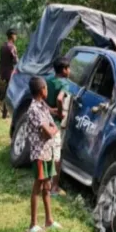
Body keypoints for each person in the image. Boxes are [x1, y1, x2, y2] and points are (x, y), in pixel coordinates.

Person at [25, 77, 61, 232]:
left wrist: (51, 130)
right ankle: (33, 224)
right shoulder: (34, 109)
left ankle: (49, 220)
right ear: (41, 90)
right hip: (39, 153)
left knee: (47, 186)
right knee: (37, 187)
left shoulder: (43, 106)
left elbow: (52, 126)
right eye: (46, 88)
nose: (48, 90)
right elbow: (48, 132)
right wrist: (52, 131)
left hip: (47, 152)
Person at [46, 57, 71, 197]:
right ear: (64, 70)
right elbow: (60, 98)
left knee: (46, 152)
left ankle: (43, 181)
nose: (70, 71)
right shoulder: (64, 83)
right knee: (56, 155)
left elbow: (42, 98)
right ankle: (54, 186)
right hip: (56, 123)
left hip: (46, 119)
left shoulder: (49, 80)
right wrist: (60, 113)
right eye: (69, 68)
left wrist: (49, 109)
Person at [0, 28, 18, 119]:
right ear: (12, 36)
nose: (16, 37)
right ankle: (8, 112)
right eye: (15, 35)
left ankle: (5, 112)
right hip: (11, 73)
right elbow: (15, 61)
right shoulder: (12, 47)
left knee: (8, 91)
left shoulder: (3, 46)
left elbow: (1, 61)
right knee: (12, 92)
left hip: (4, 73)